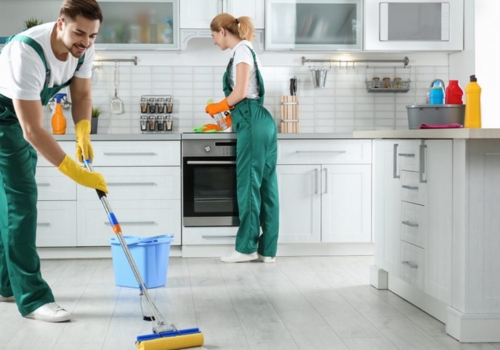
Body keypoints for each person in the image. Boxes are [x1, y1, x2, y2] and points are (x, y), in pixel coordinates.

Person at [0, 0, 108, 322]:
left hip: (19, 123)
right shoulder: (27, 52)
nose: (86, 43)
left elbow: (83, 96)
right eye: (79, 33)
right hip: (5, 121)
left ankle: (7, 285)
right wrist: (75, 172)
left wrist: (83, 133)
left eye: (92, 36)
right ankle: (33, 299)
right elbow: (32, 130)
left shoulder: (82, 48)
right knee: (22, 202)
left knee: (9, 203)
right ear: (60, 23)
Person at [206, 14, 279, 263]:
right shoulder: (246, 50)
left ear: (223, 32)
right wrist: (227, 114)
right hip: (260, 121)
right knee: (267, 187)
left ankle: (246, 248)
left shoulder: (242, 52)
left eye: (214, 35)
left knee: (248, 184)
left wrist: (219, 106)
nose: (214, 41)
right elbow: (247, 94)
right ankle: (267, 251)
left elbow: (239, 92)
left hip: (252, 121)